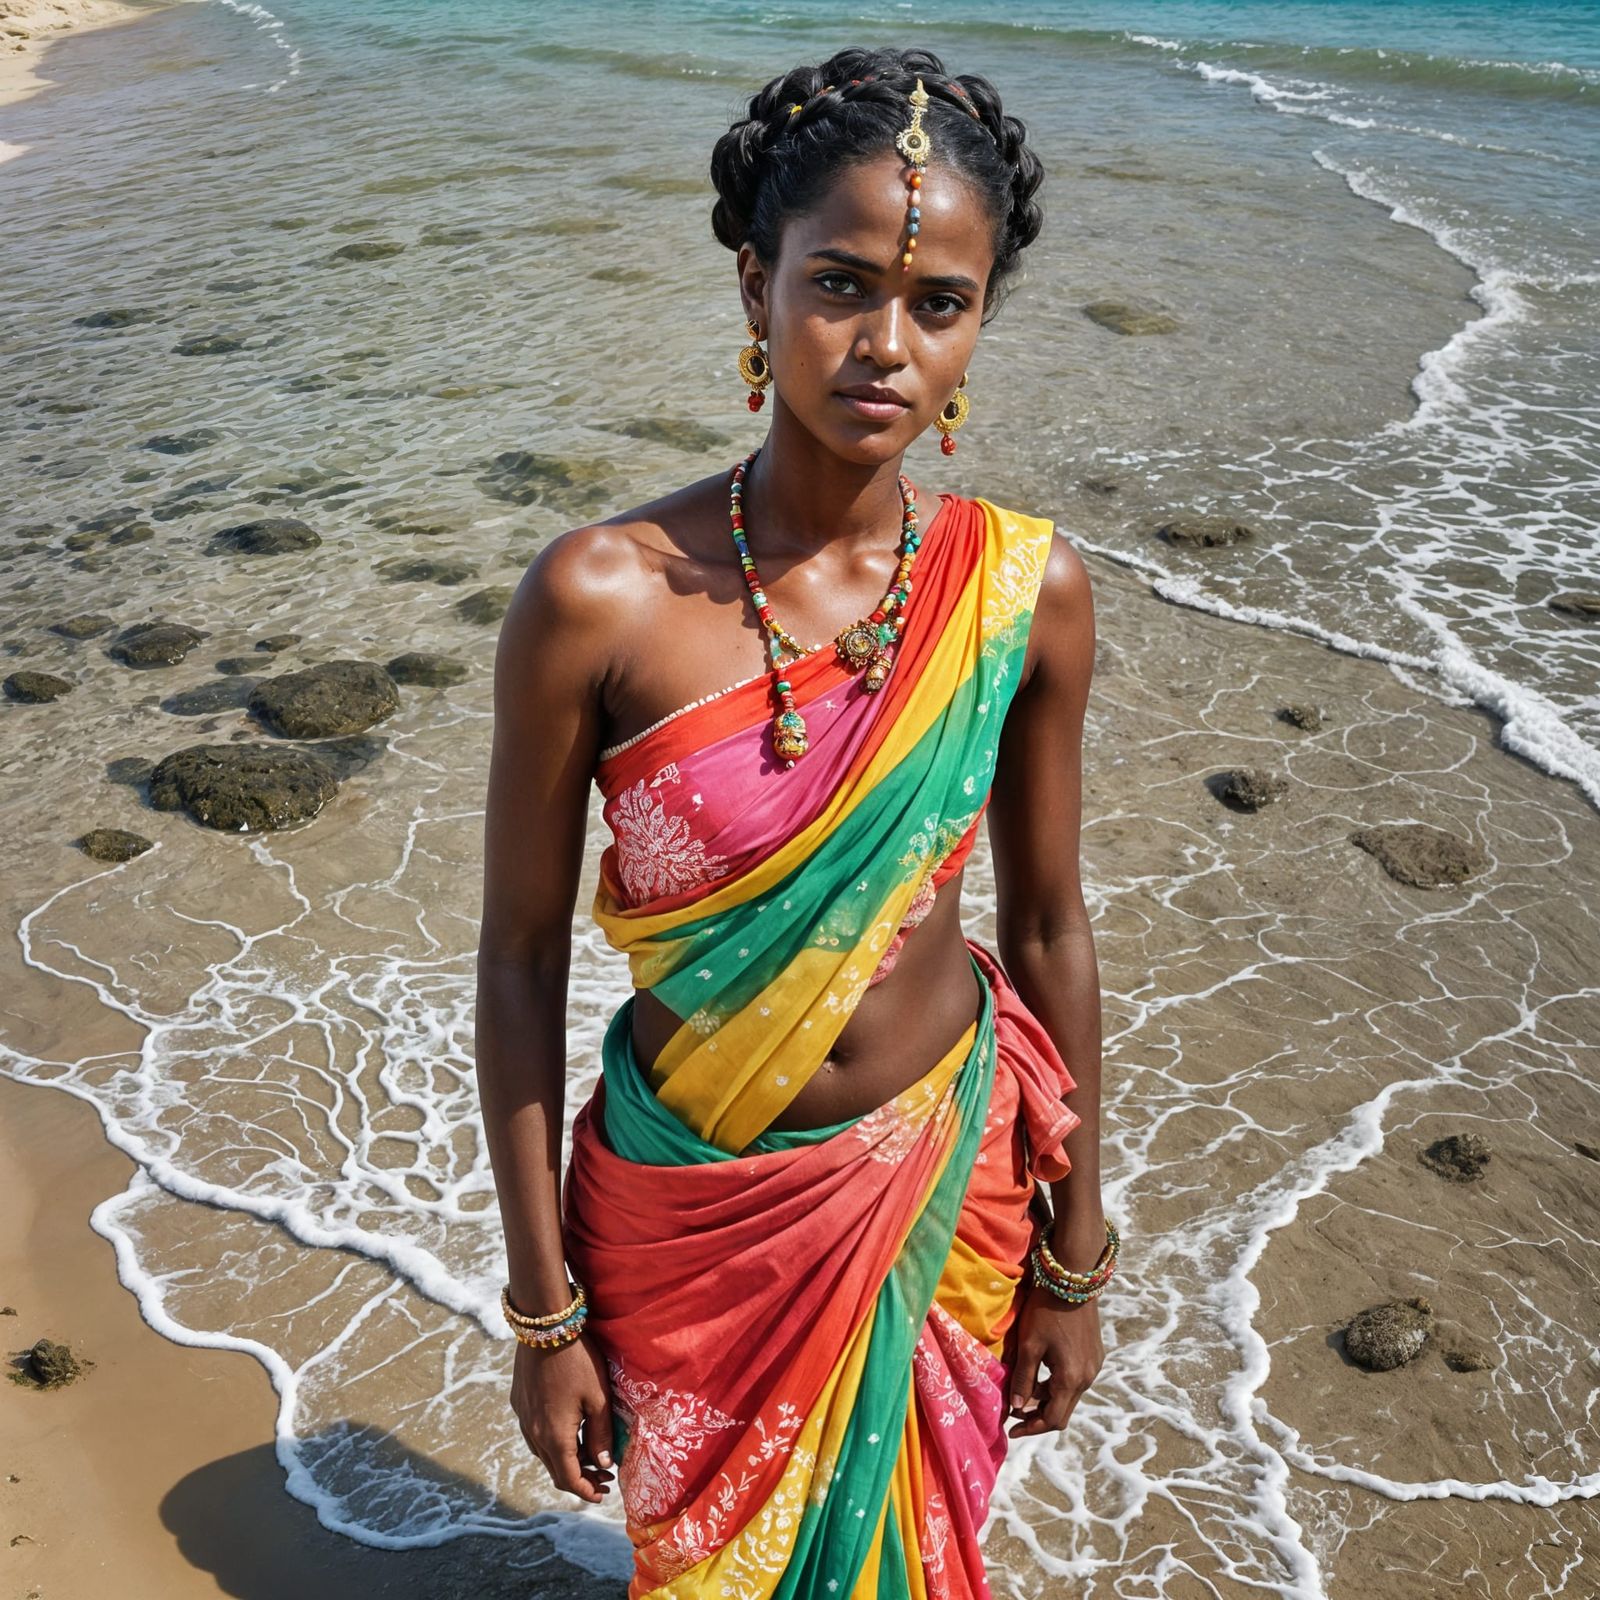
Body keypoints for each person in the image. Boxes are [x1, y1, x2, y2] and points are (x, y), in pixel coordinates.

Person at [474, 43, 1110, 1595]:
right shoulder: (598, 599)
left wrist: (1078, 1257)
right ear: (756, 289)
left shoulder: (1025, 594)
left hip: (947, 1184)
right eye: (839, 285)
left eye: (938, 304)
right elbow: (515, 958)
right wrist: (543, 1315)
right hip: (696, 1217)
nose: (884, 344)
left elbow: (1044, 928)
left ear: (974, 331)